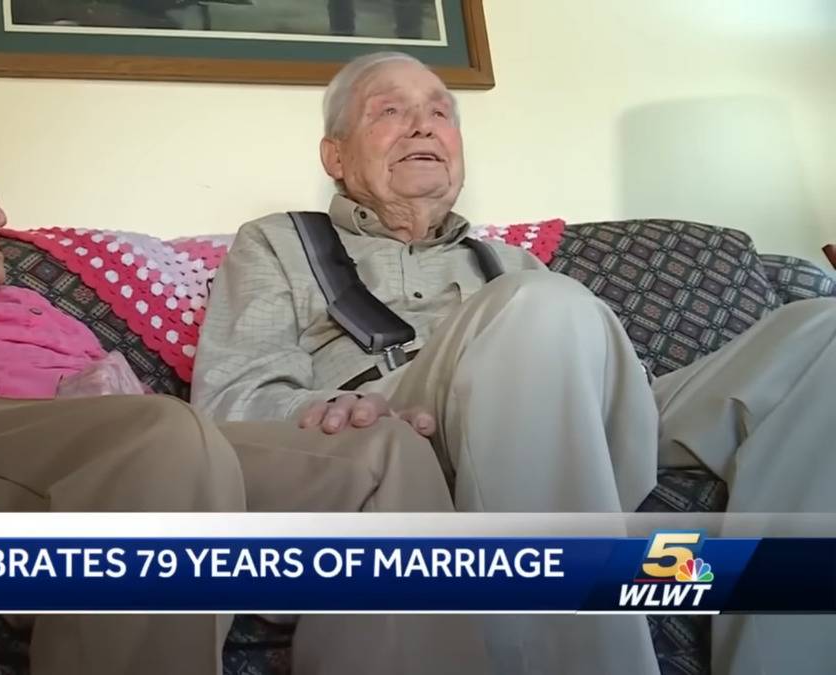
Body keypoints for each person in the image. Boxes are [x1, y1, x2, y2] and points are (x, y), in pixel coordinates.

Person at [0, 107, 489, 675]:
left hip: (105, 449)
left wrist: (107, 401)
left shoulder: (31, 306)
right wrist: (45, 390)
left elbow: (129, 412)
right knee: (160, 433)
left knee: (384, 449)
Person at [191, 51, 836, 675]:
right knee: (538, 307)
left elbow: (605, 385)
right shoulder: (278, 242)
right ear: (335, 154)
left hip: (589, 406)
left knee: (822, 331)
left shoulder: (514, 265)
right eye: (390, 110)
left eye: (441, 114)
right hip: (400, 407)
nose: (423, 125)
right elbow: (231, 395)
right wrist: (318, 410)